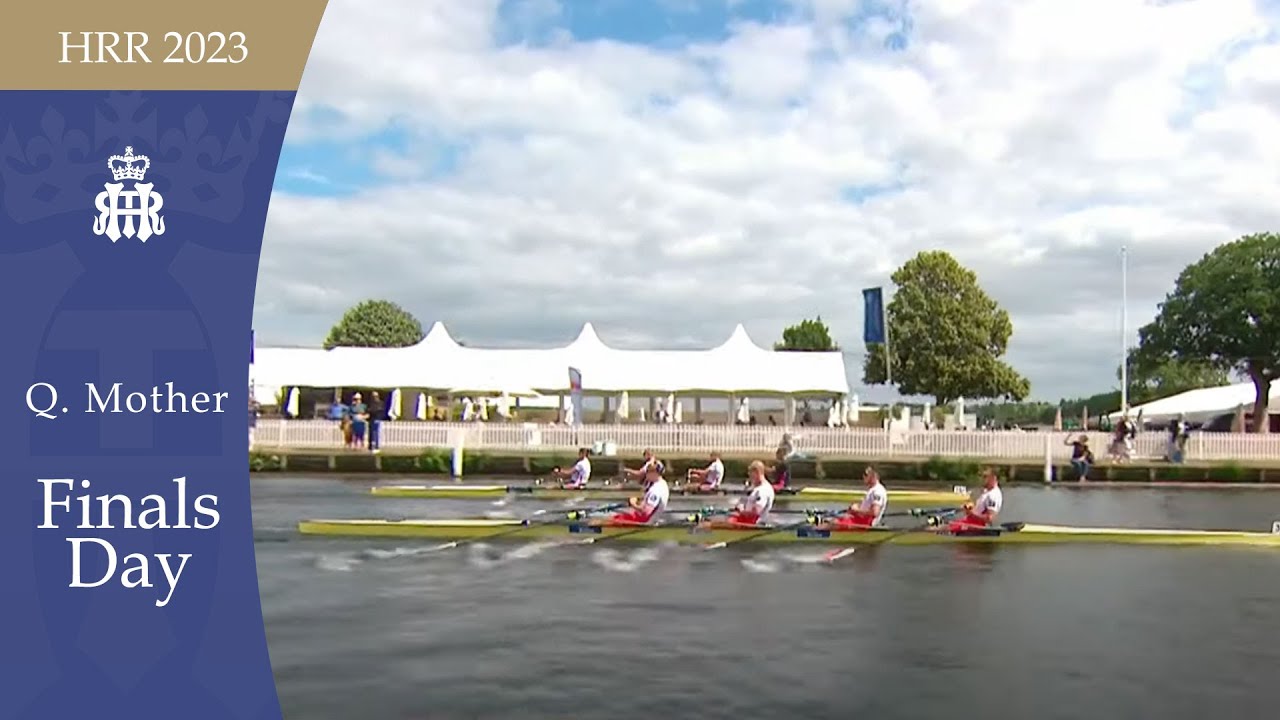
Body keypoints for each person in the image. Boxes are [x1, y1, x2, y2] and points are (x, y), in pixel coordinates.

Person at [947, 467, 1003, 532]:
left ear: (993, 478)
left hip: (978, 527)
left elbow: (989, 519)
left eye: (985, 477)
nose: (982, 479)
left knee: (945, 529)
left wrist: (971, 513)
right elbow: (980, 509)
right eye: (981, 476)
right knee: (946, 525)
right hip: (970, 522)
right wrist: (970, 508)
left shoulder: (994, 495)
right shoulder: (987, 492)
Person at [725, 461, 775, 526]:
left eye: (750, 473)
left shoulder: (763, 490)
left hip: (755, 523)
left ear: (757, 472)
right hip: (748, 521)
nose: (749, 476)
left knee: (728, 521)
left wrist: (741, 510)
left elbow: (755, 512)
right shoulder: (757, 488)